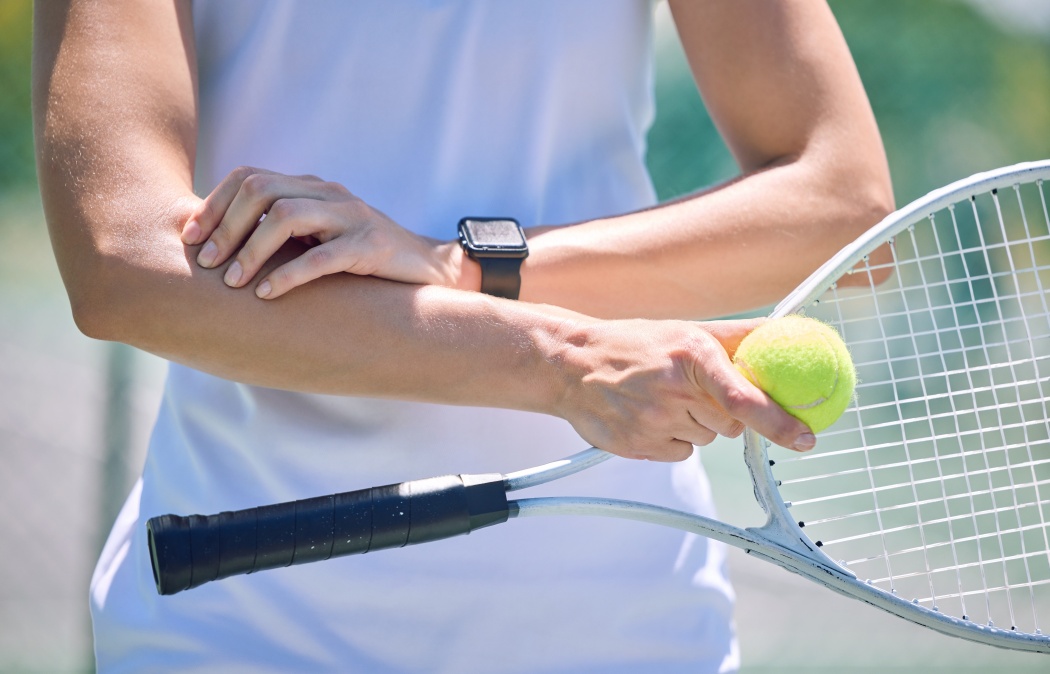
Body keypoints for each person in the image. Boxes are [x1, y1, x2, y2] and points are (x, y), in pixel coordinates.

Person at [33, 1, 892, 671]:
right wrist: (558, 360)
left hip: (623, 629)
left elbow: (843, 208)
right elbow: (124, 265)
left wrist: (464, 267)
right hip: (242, 619)